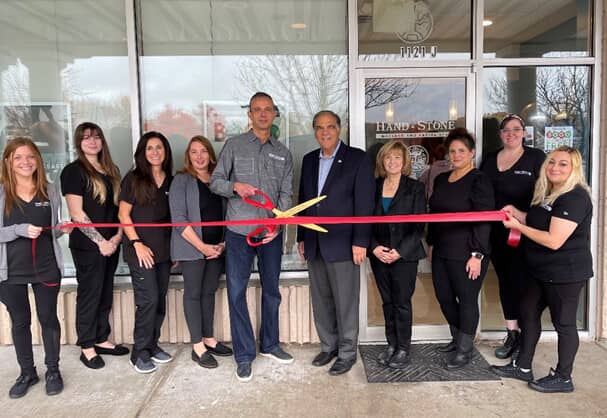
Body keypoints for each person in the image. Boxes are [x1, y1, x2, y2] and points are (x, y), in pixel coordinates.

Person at [491, 146, 592, 393]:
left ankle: (563, 377)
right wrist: (519, 214)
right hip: (539, 270)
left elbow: (553, 239)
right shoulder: (548, 192)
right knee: (527, 312)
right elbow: (538, 220)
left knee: (564, 324)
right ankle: (523, 366)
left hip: (565, 273)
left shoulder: (575, 197)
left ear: (574, 169)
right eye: (552, 162)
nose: (555, 168)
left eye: (563, 164)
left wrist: (517, 226)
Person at [210, 92, 294, 382]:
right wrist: (236, 187)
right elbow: (215, 182)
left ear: (274, 114)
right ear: (250, 114)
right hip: (238, 233)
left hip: (270, 234)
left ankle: (270, 344)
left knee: (272, 291)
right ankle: (244, 355)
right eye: (257, 110)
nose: (262, 114)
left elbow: (286, 193)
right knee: (236, 292)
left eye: (267, 110)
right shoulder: (233, 145)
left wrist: (278, 224)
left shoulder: (283, 152)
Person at [297, 110, 375, 376]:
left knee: (345, 301)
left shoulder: (357, 159)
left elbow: (365, 203)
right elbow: (303, 201)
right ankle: (328, 346)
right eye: (319, 127)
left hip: (344, 243)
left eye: (330, 126)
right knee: (321, 299)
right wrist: (301, 237)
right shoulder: (308, 160)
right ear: (314, 131)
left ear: (339, 129)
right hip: (314, 243)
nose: (325, 132)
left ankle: (347, 352)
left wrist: (361, 241)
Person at [0, 138, 69, 397]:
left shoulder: (49, 191)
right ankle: (27, 373)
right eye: (18, 157)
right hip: (10, 272)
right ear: (8, 161)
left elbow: (52, 233)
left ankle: (53, 369)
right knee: (20, 322)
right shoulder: (1, 192)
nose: (25, 162)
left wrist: (62, 229)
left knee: (49, 318)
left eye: (30, 156)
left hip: (46, 268)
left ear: (38, 160)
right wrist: (18, 230)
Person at [60, 122, 127, 370]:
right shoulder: (73, 172)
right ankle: (87, 346)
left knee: (105, 291)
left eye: (97, 137)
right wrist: (101, 242)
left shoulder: (112, 170)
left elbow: (120, 210)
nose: (92, 141)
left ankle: (101, 338)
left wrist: (117, 239)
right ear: (79, 142)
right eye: (86, 138)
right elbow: (77, 213)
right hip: (89, 246)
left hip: (112, 242)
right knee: (90, 294)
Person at [427, 128, 494, 369]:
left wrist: (477, 254)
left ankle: (465, 349)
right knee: (444, 297)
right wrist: (432, 243)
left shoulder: (479, 180)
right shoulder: (442, 179)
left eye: (461, 151)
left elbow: (484, 219)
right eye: (452, 151)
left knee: (466, 299)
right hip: (442, 250)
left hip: (467, 252)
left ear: (472, 153)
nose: (456, 155)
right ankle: (457, 338)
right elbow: (435, 213)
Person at [480, 114, 545, 360]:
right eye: (506, 130)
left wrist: (525, 216)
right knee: (505, 282)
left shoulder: (535, 158)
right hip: (497, 234)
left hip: (526, 233)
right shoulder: (489, 160)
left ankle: (527, 338)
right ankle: (512, 334)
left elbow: (546, 194)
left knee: (524, 286)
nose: (511, 133)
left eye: (516, 129)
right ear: (500, 134)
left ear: (524, 133)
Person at [169, 135, 232, 369]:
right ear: (188, 156)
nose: (199, 156)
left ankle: (209, 338)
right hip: (192, 248)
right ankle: (197, 346)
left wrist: (222, 244)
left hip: (216, 248)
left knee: (208, 293)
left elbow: (227, 214)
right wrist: (202, 247)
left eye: (203, 151)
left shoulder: (217, 180)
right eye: (194, 152)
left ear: (210, 154)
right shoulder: (182, 180)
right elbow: (179, 220)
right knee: (193, 294)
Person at [118, 132, 173, 374]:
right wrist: (137, 243)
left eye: (159, 147)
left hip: (163, 251)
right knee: (148, 300)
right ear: (143, 152)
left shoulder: (170, 181)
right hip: (140, 251)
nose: (154, 152)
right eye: (149, 148)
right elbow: (123, 215)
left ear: (165, 151)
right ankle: (139, 352)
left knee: (159, 299)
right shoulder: (133, 179)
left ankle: (151, 345)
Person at [369, 140, 426, 369]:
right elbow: (364, 221)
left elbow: (419, 226)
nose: (392, 161)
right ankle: (391, 344)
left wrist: (399, 251)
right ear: (382, 161)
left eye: (397, 158)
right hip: (379, 254)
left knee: (401, 302)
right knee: (387, 302)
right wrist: (373, 247)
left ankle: (403, 348)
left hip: (405, 255)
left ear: (404, 162)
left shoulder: (415, 188)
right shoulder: (373, 186)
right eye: (388, 157)